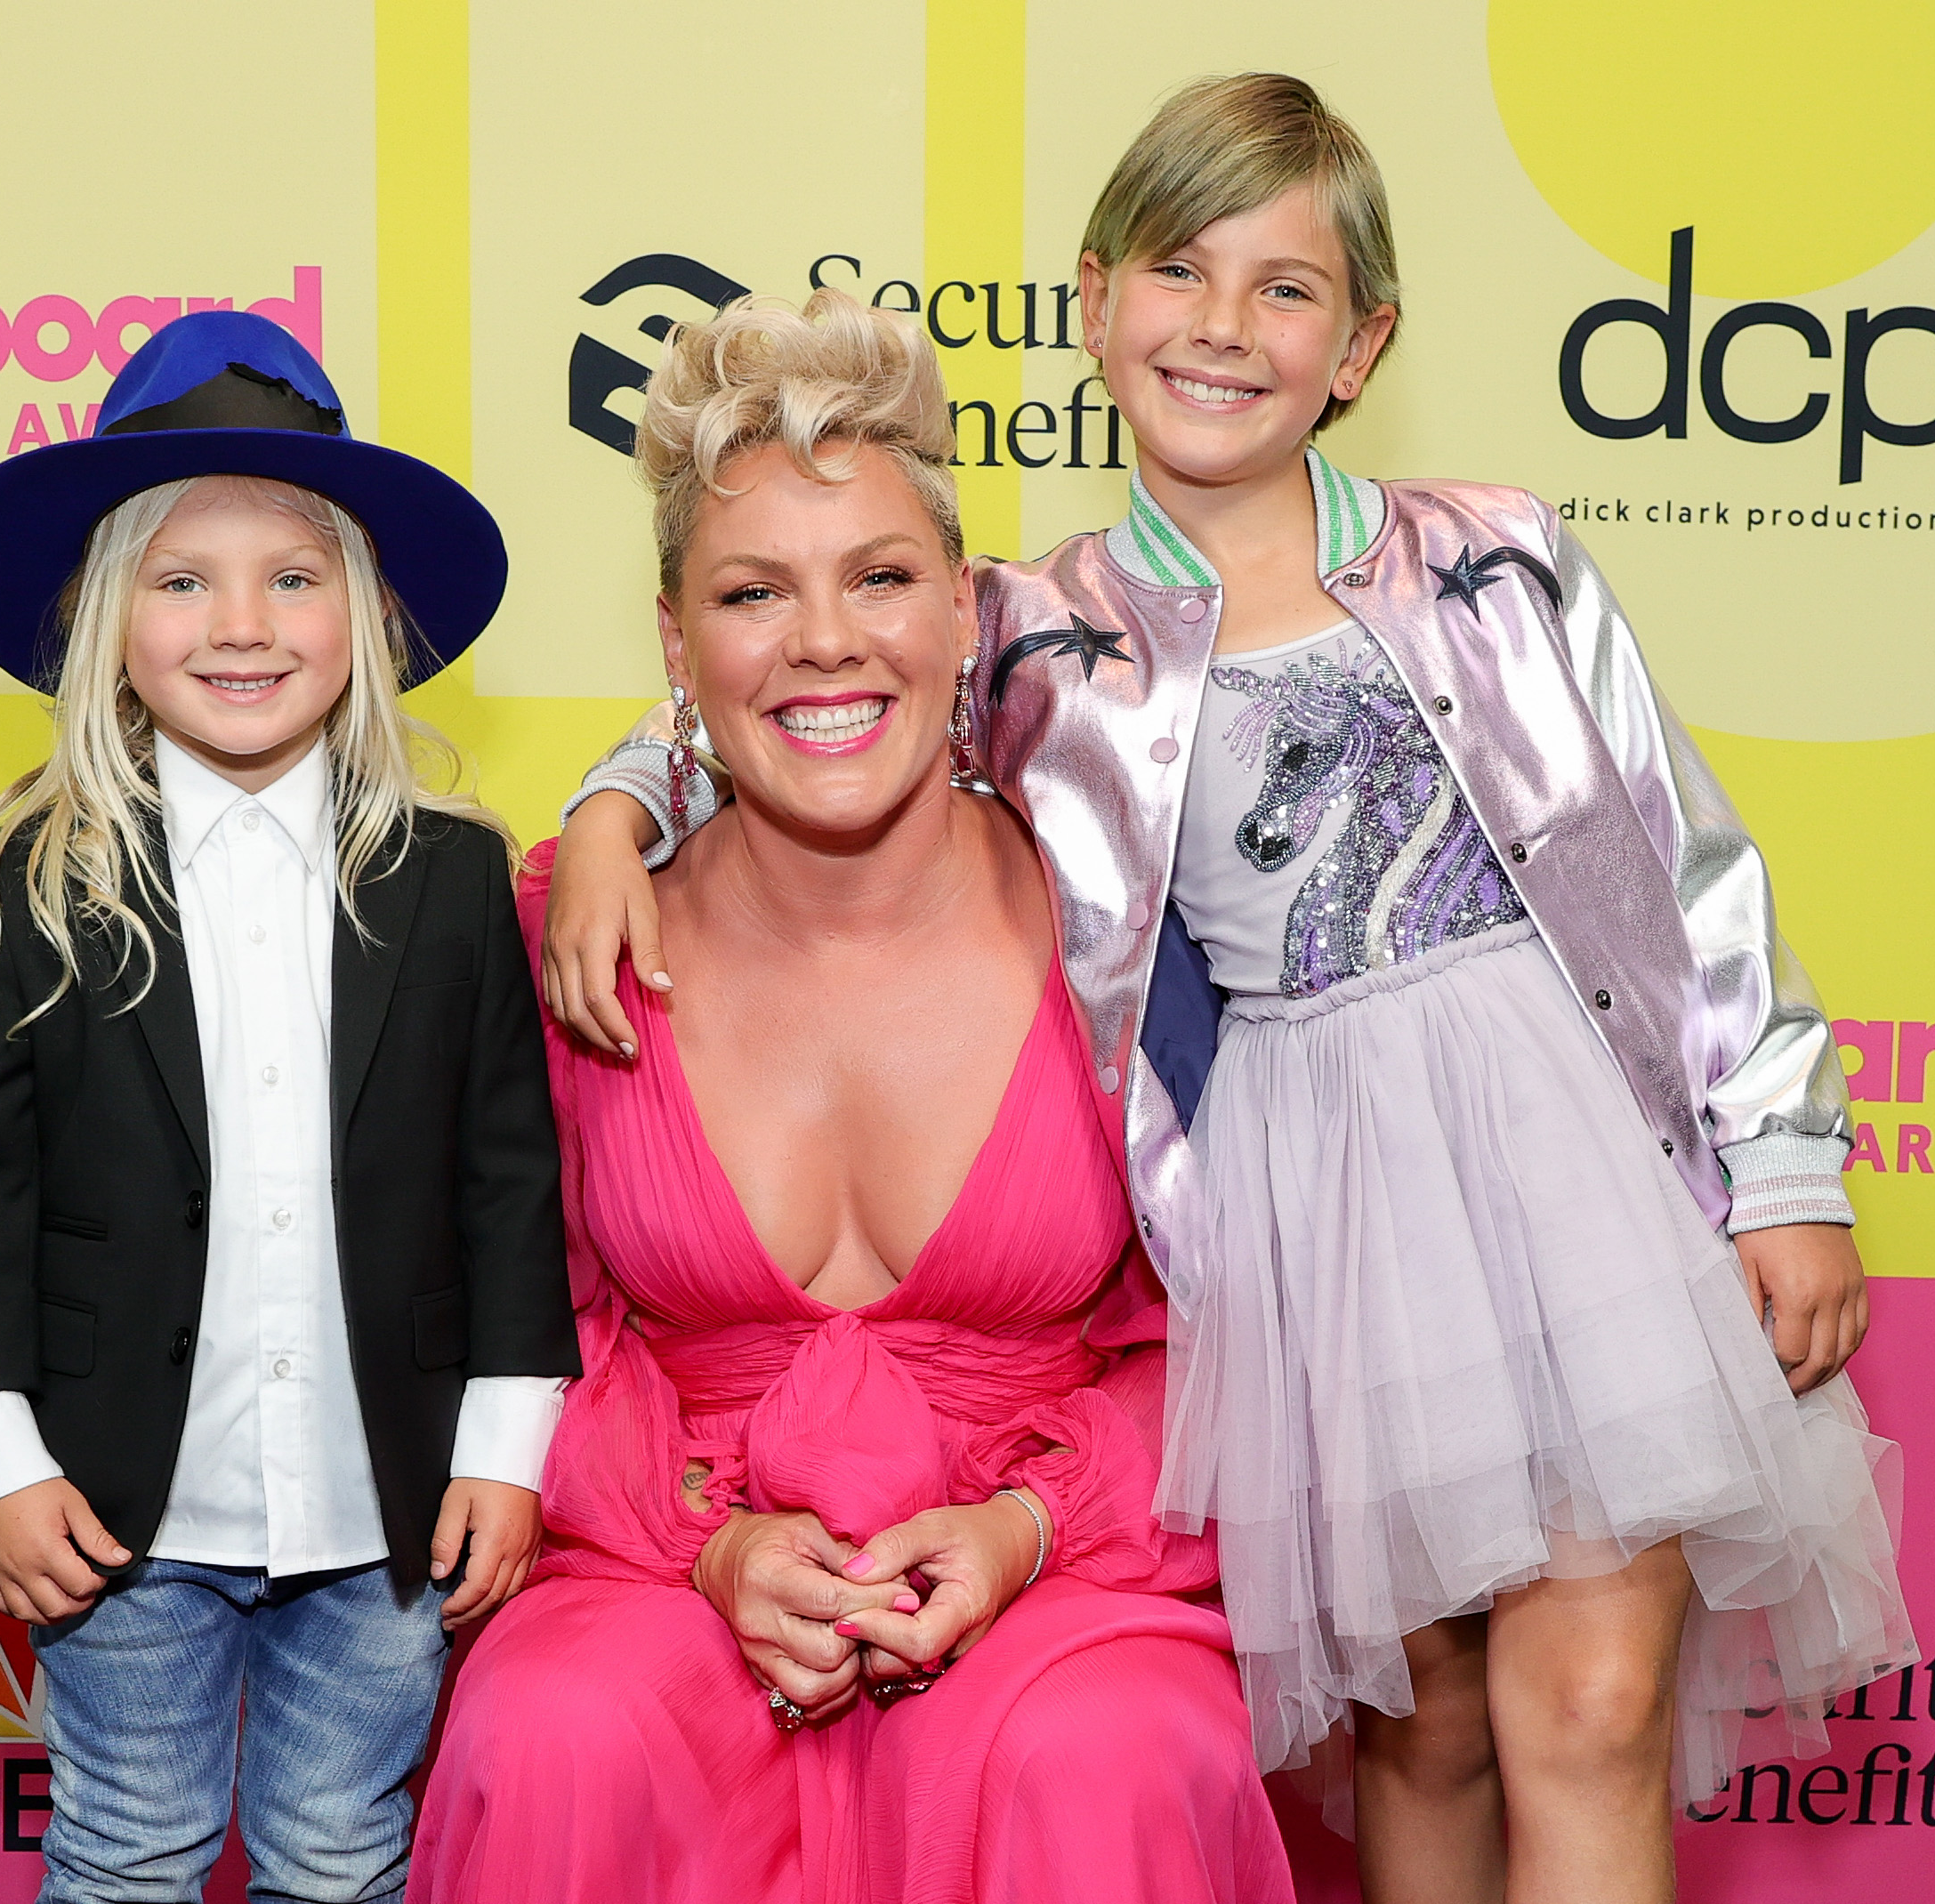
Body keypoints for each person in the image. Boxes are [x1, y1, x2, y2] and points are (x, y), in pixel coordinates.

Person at [541, 75, 1914, 1904]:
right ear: (1093, 300)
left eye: (1286, 287)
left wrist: (1783, 1158)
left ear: (1363, 345)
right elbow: (804, 678)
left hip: (1567, 1173)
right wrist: (619, 808)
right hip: (1316, 1220)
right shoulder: (1035, 630)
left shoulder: (1491, 550)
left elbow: (1680, 861)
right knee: (1423, 1723)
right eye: (1179, 271)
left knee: (1588, 1704)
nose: (1222, 324)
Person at [409, 293, 1288, 1904]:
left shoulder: (1129, 927)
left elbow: (1239, 1328)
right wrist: (712, 1544)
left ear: (962, 610)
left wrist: (1027, 1526)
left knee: (1112, 1754)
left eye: (878, 578)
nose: (824, 641)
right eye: (754, 592)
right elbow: (509, 1324)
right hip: (662, 1563)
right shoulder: (561, 937)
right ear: (676, 646)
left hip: (1061, 1569)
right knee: (551, 1732)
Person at [0, 310, 579, 1903]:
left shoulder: (454, 879)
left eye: (294, 576)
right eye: (182, 580)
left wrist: (505, 1448)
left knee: (340, 1852)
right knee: (128, 1847)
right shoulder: (29, 874)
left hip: (384, 1500)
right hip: (109, 1505)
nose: (243, 625)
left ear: (369, 611)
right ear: (102, 619)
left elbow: (506, 1182)